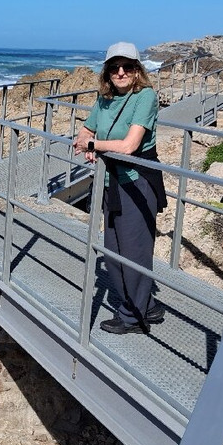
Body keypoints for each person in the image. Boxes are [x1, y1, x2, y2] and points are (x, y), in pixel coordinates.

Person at [73, 42, 167, 334]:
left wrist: (94, 145)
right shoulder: (105, 99)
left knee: (133, 253)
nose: (121, 72)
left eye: (127, 66)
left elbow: (129, 146)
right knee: (113, 253)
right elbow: (85, 130)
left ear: (138, 70)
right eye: (115, 68)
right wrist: (90, 142)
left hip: (136, 182)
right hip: (110, 182)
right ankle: (148, 306)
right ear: (107, 72)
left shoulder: (145, 97)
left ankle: (133, 318)